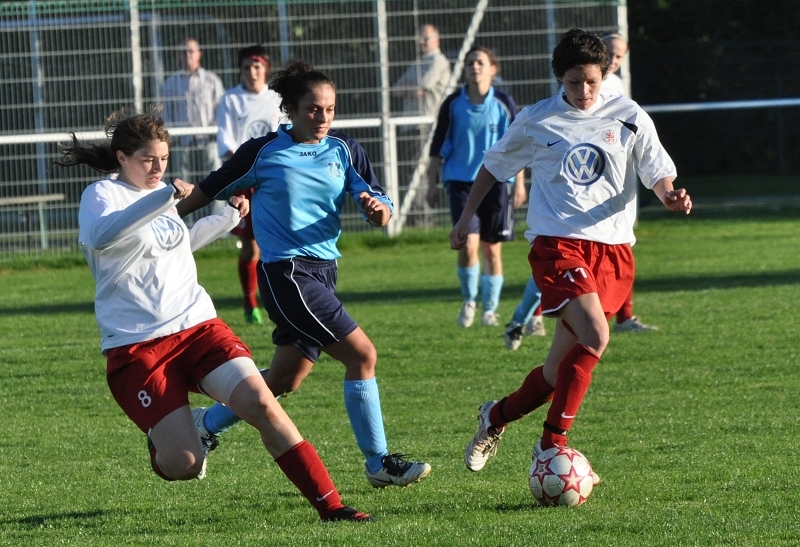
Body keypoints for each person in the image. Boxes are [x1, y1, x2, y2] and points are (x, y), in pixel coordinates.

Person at [58, 108, 374, 522]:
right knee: (185, 464)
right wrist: (165, 198)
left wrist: (226, 219)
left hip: (197, 327)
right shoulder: (103, 195)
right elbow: (101, 235)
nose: (158, 168)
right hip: (137, 347)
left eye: (164, 159)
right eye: (148, 159)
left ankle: (332, 507)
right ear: (122, 157)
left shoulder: (161, 194)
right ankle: (167, 441)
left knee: (263, 404)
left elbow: (176, 244)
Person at [178, 60, 432, 489]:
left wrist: (378, 211)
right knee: (362, 356)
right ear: (291, 110)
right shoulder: (263, 152)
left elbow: (378, 200)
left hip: (324, 272)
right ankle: (378, 462)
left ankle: (207, 423)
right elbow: (210, 187)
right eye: (313, 109)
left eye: (330, 109)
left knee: (284, 378)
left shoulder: (344, 150)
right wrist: (165, 218)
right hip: (288, 275)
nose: (323, 118)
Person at [454, 29, 691, 481]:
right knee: (597, 336)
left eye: (591, 81)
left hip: (613, 251)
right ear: (559, 78)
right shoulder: (537, 119)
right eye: (573, 82)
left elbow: (656, 169)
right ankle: (551, 446)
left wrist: (669, 196)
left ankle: (495, 417)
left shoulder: (628, 115)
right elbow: (493, 165)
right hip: (557, 245)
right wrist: (466, 217)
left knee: (554, 373)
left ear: (605, 74)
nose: (583, 91)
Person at [426, 46, 526, 328]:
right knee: (468, 244)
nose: (474, 67)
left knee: (491, 249)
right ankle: (470, 300)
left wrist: (519, 183)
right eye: (470, 63)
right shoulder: (453, 104)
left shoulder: (503, 102)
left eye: (480, 62)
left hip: (498, 183)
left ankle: (490, 310)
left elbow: (518, 145)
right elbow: (437, 146)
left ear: (493, 69)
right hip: (460, 182)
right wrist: (431, 184)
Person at [216, 44, 286, 325]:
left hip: (272, 179)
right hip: (244, 179)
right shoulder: (231, 99)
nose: (252, 73)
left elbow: (284, 135)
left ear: (265, 68)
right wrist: (244, 164)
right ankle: (250, 304)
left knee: (278, 243)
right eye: (246, 68)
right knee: (251, 248)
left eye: (257, 67)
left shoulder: (276, 99)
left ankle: (282, 299)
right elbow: (225, 140)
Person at [601, 32, 658, 334]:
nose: (613, 59)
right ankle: (532, 315)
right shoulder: (585, 81)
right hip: (592, 178)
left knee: (621, 247)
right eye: (608, 51)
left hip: (617, 176)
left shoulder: (616, 84)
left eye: (619, 55)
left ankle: (623, 317)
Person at [393, 24, 452, 227]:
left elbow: (422, 88)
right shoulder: (419, 62)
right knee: (411, 173)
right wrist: (414, 88)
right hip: (410, 125)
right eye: (419, 38)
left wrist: (412, 87)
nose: (421, 41)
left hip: (425, 125)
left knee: (420, 173)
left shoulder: (438, 61)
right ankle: (415, 220)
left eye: (425, 38)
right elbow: (396, 89)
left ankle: (422, 222)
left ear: (437, 40)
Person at [160, 37, 225, 190]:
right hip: (182, 140)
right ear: (178, 55)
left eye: (191, 51)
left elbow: (221, 108)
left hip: (208, 138)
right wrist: (173, 134)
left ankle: (217, 206)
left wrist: (213, 131)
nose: (187, 55)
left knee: (215, 178)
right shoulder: (171, 82)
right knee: (181, 182)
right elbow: (166, 111)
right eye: (183, 52)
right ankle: (184, 207)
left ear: (199, 54)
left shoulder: (211, 80)